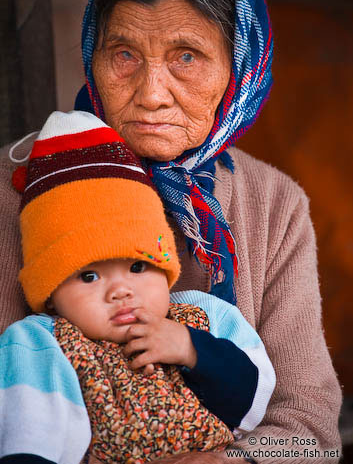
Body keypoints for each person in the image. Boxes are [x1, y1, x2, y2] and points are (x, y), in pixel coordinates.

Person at [0, 0, 342, 463]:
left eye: (187, 56)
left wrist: (234, 462)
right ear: (93, 51)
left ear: (238, 65)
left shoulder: (275, 206)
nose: (153, 92)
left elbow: (313, 436)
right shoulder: (12, 188)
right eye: (124, 54)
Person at [0, 110, 275, 464]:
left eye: (137, 266)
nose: (120, 291)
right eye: (89, 276)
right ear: (51, 293)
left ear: (165, 269)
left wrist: (193, 350)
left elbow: (254, 406)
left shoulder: (203, 316)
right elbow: (29, 440)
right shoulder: (41, 344)